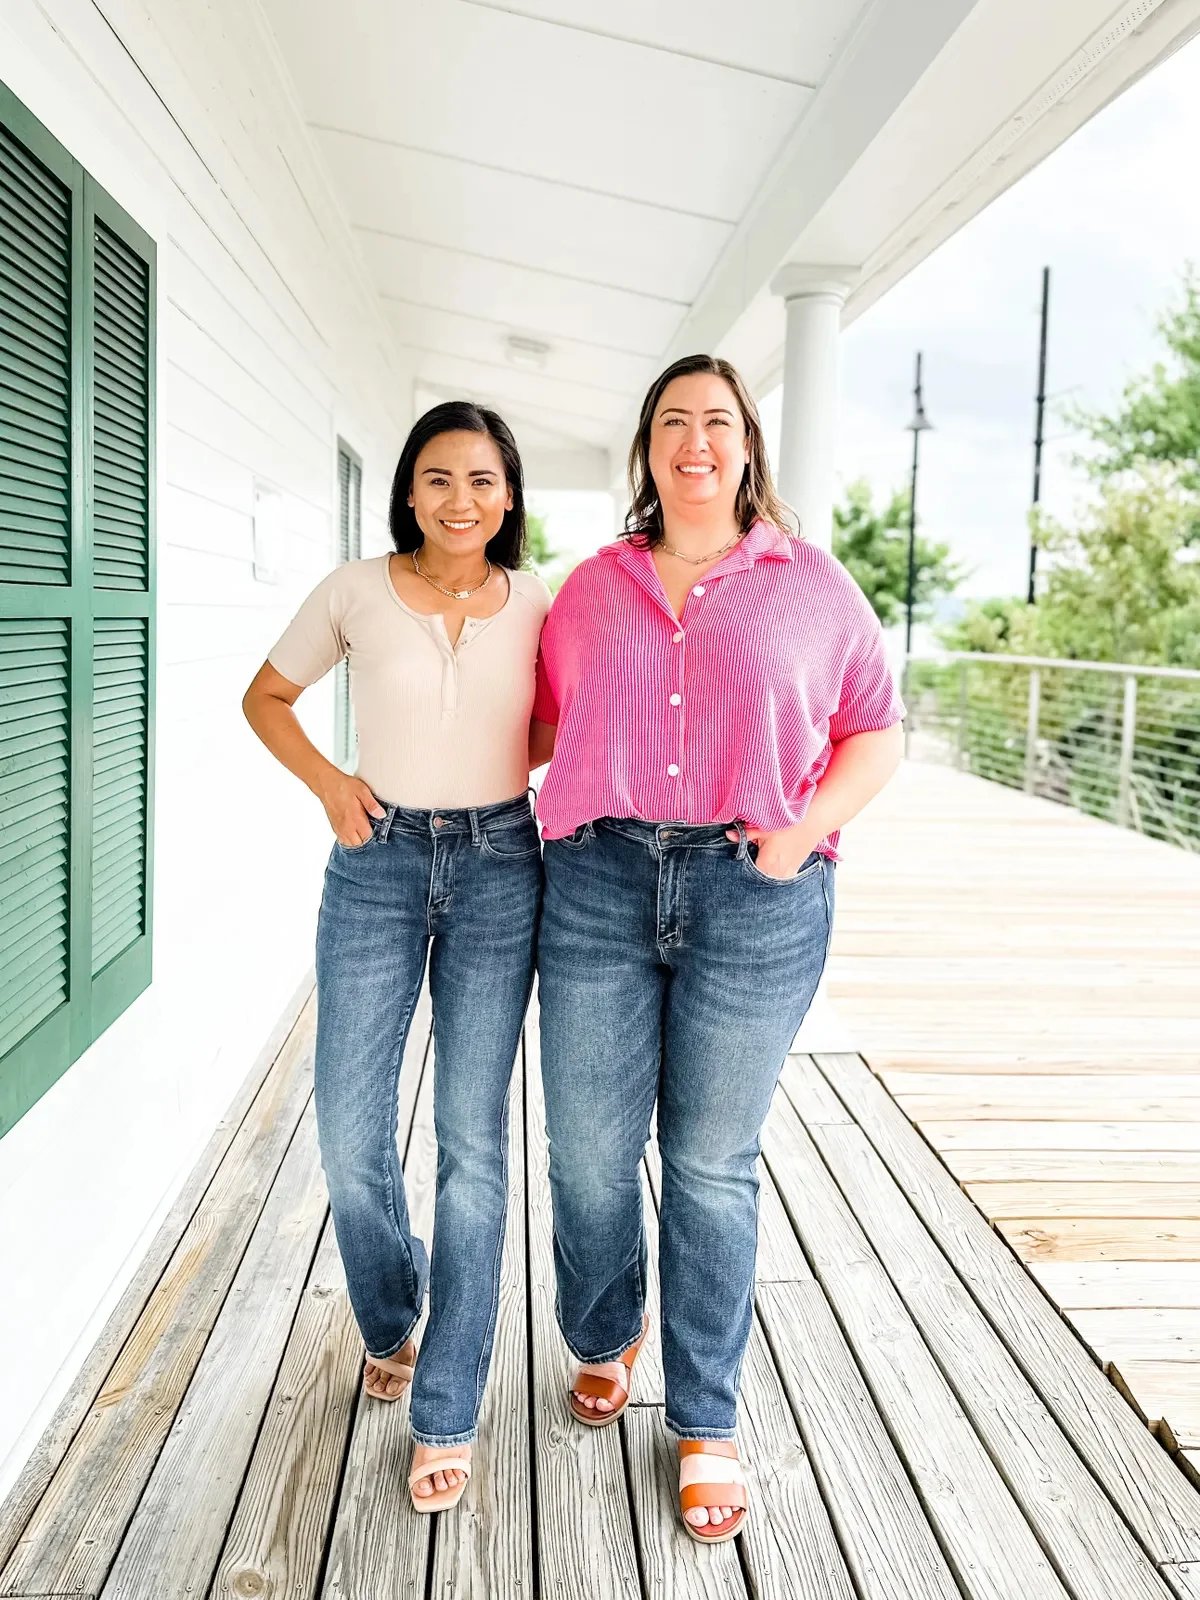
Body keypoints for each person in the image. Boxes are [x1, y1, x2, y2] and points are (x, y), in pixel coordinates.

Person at [531, 353, 904, 1544]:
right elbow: (539, 721)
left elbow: (876, 732)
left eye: (717, 421)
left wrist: (797, 837)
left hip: (756, 890)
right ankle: (604, 1334)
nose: (694, 439)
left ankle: (705, 1415)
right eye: (671, 421)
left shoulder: (814, 585)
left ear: (748, 446)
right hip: (596, 878)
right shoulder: (590, 586)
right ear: (646, 448)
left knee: (707, 1158)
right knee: (589, 1147)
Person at [242, 401, 550, 1513]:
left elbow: (557, 722)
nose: (458, 498)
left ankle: (449, 1403)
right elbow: (264, 697)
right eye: (436, 479)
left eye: (480, 479)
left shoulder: (542, 603)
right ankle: (390, 1314)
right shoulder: (354, 591)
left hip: (504, 863)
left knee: (474, 1140)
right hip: (374, 860)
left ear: (508, 494)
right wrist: (332, 783)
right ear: (407, 492)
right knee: (346, 1121)